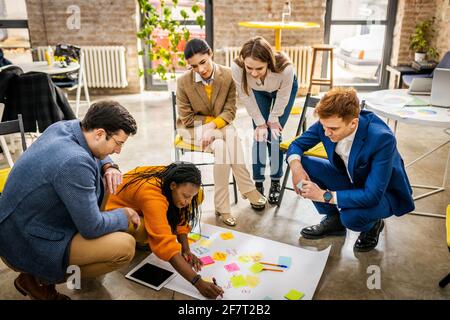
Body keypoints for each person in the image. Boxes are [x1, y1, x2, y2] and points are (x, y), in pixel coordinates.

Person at [0, 101, 139, 300]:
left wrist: (110, 166)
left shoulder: (64, 127)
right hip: (24, 240)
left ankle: (48, 271)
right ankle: (38, 279)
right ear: (99, 133)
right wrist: (124, 215)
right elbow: (92, 228)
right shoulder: (74, 162)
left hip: (17, 223)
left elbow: (96, 149)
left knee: (104, 176)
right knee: (124, 247)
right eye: (118, 143)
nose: (118, 151)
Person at [287, 87, 415, 252]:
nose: (326, 133)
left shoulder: (382, 139)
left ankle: (373, 223)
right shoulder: (328, 123)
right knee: (303, 161)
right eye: (324, 126)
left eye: (333, 129)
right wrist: (295, 167)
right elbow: (296, 145)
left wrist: (323, 195)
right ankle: (334, 220)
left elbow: (372, 195)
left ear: (353, 123)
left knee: (351, 218)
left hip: (383, 193)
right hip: (350, 177)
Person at [176, 38, 267, 227]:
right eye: (194, 66)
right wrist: (211, 126)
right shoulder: (183, 82)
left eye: (203, 62)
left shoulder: (227, 75)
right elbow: (187, 118)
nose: (200, 69)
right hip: (193, 129)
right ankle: (247, 188)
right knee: (231, 135)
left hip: (220, 129)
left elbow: (230, 110)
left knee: (222, 148)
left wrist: (212, 127)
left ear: (210, 54)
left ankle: (222, 208)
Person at [105, 162, 224, 299]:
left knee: (198, 196)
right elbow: (165, 244)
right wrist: (198, 282)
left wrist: (186, 250)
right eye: (185, 196)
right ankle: (140, 242)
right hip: (114, 212)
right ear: (173, 186)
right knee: (146, 233)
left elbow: (181, 215)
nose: (187, 201)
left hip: (141, 204)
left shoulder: (174, 180)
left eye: (190, 197)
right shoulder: (152, 195)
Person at [231, 36, 298, 204]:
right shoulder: (237, 67)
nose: (253, 73)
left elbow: (282, 98)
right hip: (257, 92)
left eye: (259, 68)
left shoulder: (285, 69)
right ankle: (258, 183)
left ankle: (275, 181)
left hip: (283, 90)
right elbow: (245, 96)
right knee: (260, 135)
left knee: (274, 135)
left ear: (268, 61)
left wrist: (273, 119)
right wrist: (260, 123)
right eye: (249, 68)